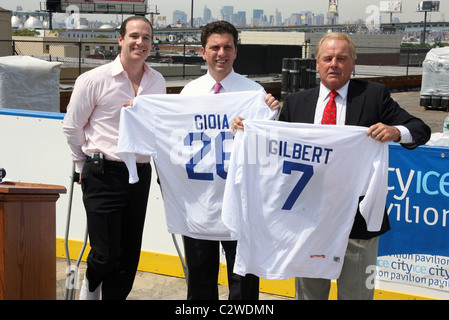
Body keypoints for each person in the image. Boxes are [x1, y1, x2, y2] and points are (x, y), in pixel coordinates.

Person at [232, 32, 431, 300]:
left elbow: (421, 130)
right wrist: (247, 132)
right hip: (308, 222)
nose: (334, 64)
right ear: (317, 64)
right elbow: (271, 161)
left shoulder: (375, 96)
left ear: (352, 64)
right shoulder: (295, 103)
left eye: (341, 58)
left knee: (357, 296)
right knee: (309, 296)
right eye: (327, 58)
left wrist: (396, 131)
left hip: (357, 224)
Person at [62, 16, 166, 300]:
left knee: (128, 257)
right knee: (106, 253)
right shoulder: (94, 80)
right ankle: (91, 285)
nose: (140, 43)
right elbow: (72, 126)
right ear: (120, 39)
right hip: (102, 171)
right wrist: (82, 164)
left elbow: (159, 126)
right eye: (134, 36)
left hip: (139, 173)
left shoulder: (157, 82)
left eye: (146, 38)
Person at [179, 20, 279, 300]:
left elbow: (267, 152)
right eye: (214, 47)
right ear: (203, 52)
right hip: (199, 204)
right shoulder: (188, 94)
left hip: (242, 204)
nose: (221, 53)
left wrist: (271, 117)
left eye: (227, 47)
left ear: (236, 52)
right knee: (200, 281)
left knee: (243, 282)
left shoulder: (255, 94)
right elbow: (175, 147)